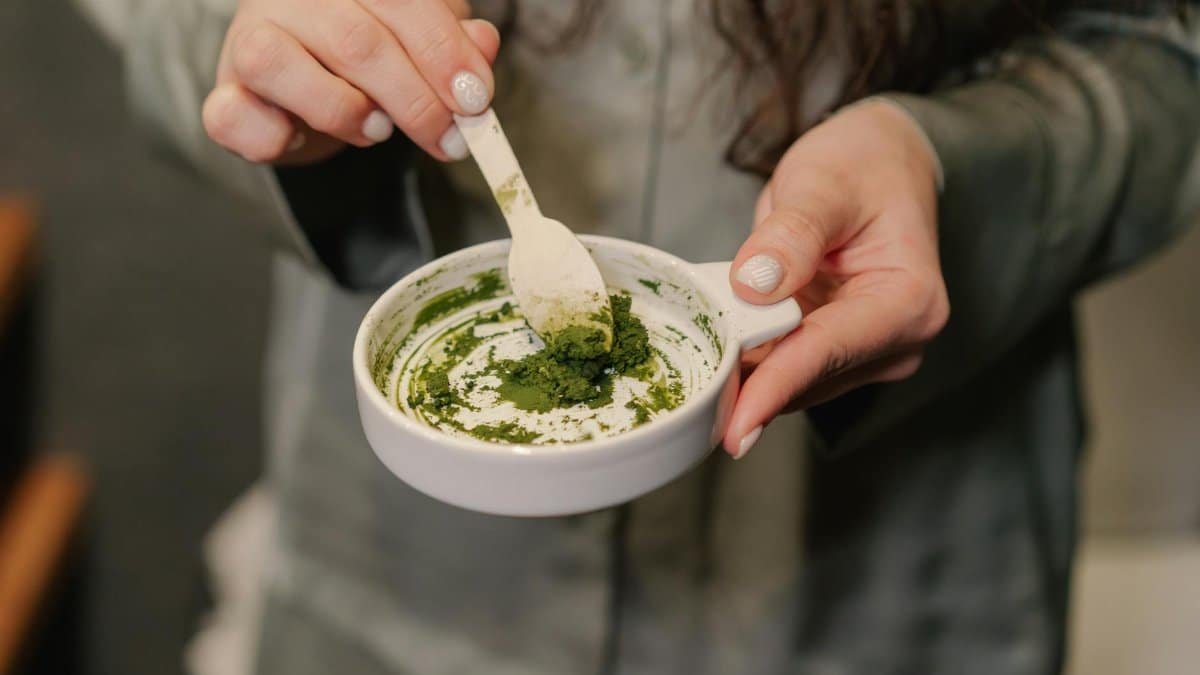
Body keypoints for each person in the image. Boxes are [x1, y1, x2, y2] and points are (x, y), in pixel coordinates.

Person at [79, 0, 1199, 673]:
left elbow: (1164, 48)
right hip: (407, 582)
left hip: (888, 592)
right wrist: (266, 52)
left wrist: (950, 163)